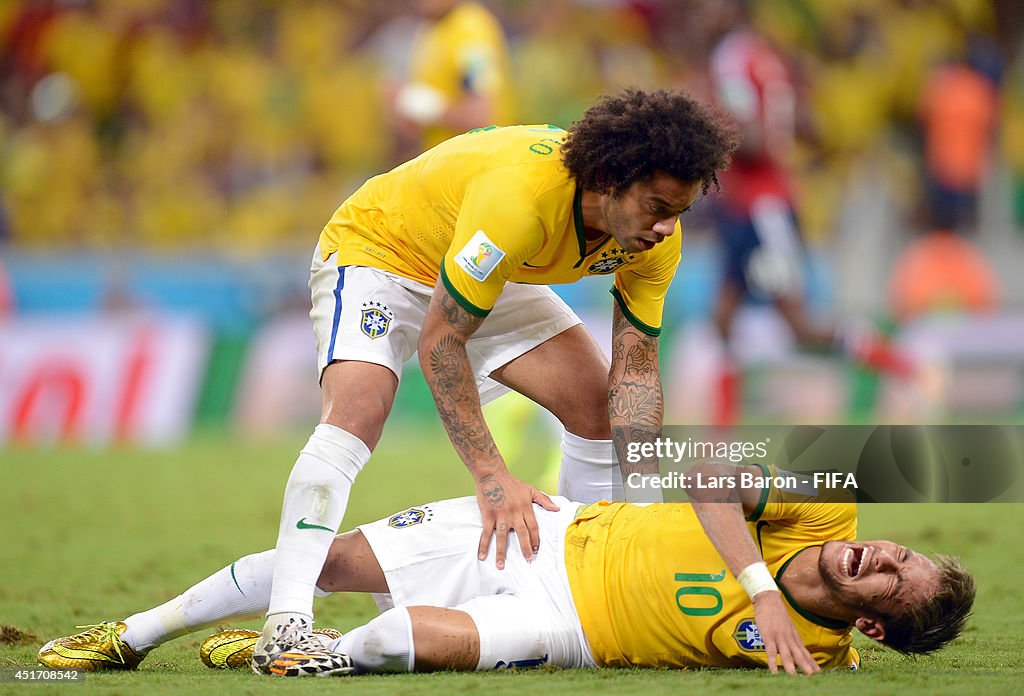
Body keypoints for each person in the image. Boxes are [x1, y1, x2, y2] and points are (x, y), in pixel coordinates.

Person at [252, 88, 740, 673]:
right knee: (359, 410)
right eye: (656, 205)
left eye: (679, 212)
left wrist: (646, 508)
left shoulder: (654, 239)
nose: (665, 227)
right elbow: (441, 342)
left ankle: (581, 584)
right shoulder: (520, 200)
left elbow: (633, 371)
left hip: (485, 269)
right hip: (383, 251)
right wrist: (492, 476)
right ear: (610, 179)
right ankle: (286, 625)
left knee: (597, 410)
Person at [37, 461, 975, 676]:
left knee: (400, 642)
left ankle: (309, 653)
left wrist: (799, 636)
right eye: (901, 550)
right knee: (323, 560)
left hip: (572, 632)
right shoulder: (831, 501)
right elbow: (702, 475)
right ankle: (131, 636)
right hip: (553, 535)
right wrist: (762, 589)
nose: (883, 553)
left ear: (874, 626)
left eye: (895, 578)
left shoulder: (825, 657)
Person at [695, 0, 910, 425]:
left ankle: (908, 370)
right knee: (722, 320)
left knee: (798, 326)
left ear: (733, 10)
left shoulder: (732, 58)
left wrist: (702, 137)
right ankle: (722, 439)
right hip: (746, 208)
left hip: (762, 210)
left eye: (709, 4)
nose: (701, 12)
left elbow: (753, 137)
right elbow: (806, 124)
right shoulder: (764, 55)